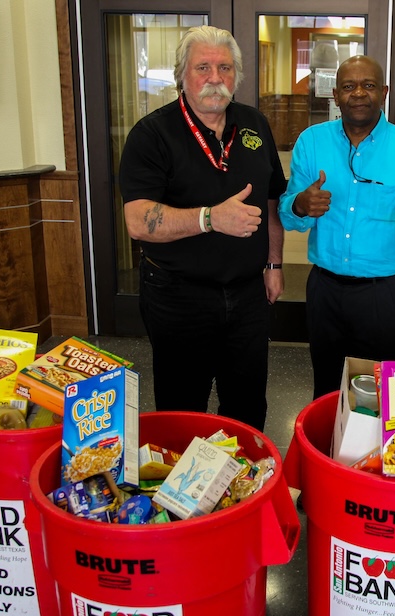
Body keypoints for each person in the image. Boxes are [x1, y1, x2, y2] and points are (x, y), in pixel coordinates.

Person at [118, 25, 286, 431]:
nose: (215, 78)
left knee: (247, 405)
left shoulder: (254, 124)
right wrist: (210, 218)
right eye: (203, 67)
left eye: (225, 67)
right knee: (182, 407)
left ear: (237, 75)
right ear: (182, 75)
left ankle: (243, 490)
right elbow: (138, 221)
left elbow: (270, 199)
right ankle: (181, 488)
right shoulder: (152, 134)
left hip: (248, 296)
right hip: (179, 297)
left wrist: (274, 265)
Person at [280, 55, 395, 399]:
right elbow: (287, 215)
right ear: (335, 95)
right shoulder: (311, 142)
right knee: (326, 390)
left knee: (382, 395)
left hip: (385, 295)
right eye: (348, 86)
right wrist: (300, 204)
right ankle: (326, 451)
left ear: (383, 92)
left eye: (368, 85)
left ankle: (378, 453)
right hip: (325, 291)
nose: (358, 93)